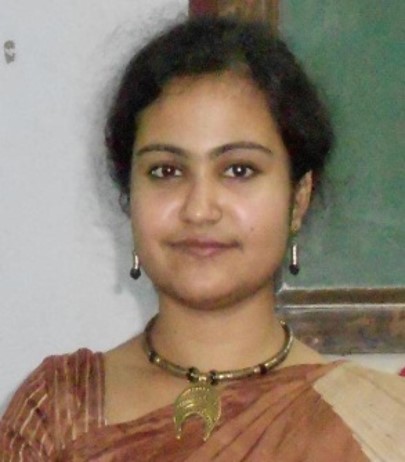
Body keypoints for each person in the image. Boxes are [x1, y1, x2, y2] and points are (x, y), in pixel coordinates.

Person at [1, 15, 404, 462]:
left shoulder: (378, 427)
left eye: (239, 170)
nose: (199, 209)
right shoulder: (57, 413)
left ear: (298, 198)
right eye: (166, 171)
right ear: (129, 196)